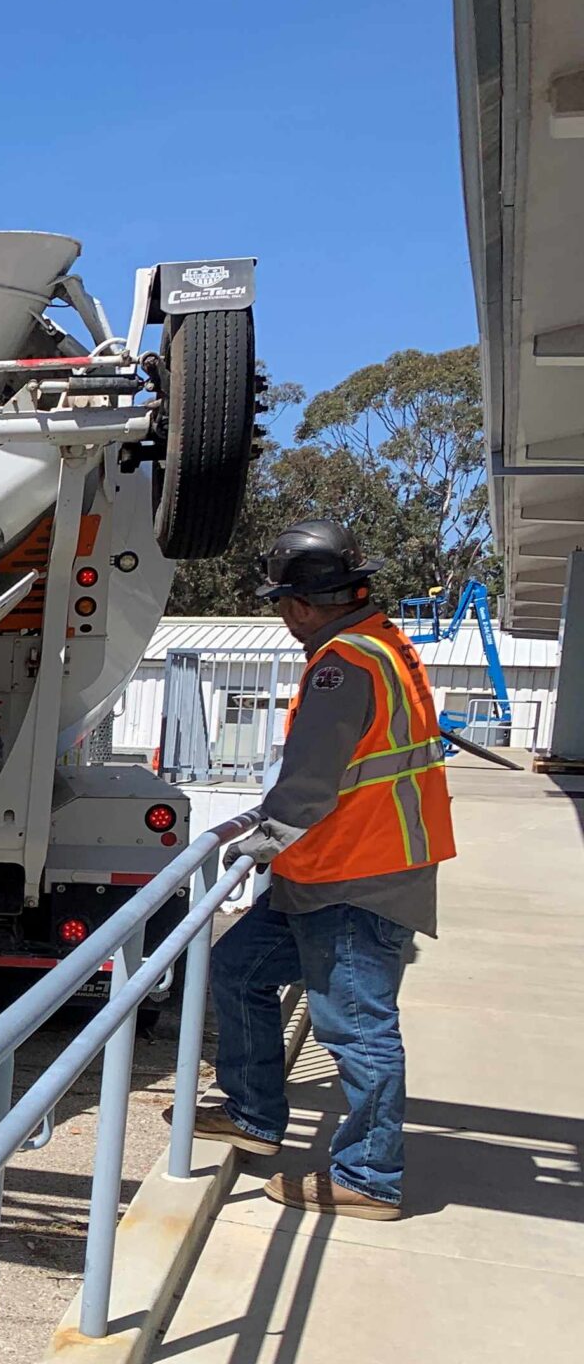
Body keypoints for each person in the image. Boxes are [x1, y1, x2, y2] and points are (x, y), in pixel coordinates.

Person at [192, 519, 456, 1218]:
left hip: (356, 875)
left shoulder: (344, 664)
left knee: (356, 1027)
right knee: (240, 968)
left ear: (301, 605)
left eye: (281, 604)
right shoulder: (382, 643)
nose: (281, 618)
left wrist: (260, 841)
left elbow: (310, 782)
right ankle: (253, 1113)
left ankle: (369, 1177)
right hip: (333, 869)